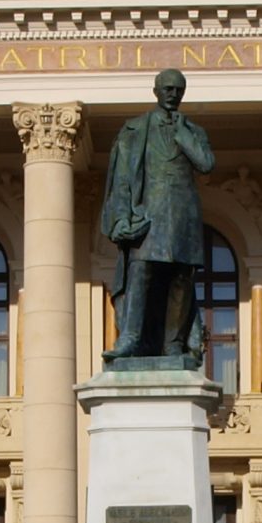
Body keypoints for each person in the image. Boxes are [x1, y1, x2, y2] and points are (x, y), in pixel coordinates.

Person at [100, 69, 215, 362]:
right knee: (142, 273)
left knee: (181, 278)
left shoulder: (194, 132)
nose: (173, 94)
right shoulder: (135, 130)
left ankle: (173, 344)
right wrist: (121, 219)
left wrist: (182, 136)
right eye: (167, 88)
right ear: (156, 91)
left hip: (183, 214)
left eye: (178, 89)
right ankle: (131, 338)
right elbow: (123, 178)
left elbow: (205, 164)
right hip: (147, 213)